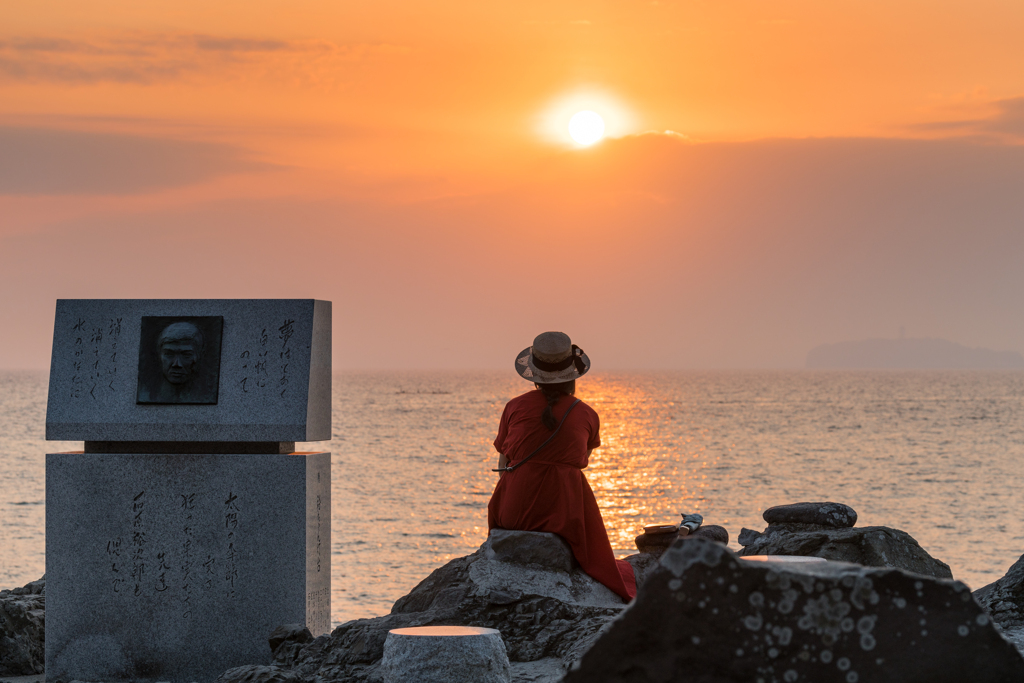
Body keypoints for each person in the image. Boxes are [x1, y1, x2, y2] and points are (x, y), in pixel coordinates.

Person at [487, 331, 636, 602]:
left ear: (535, 374)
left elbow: (503, 463)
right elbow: (582, 461)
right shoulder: (587, 414)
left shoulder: (514, 407)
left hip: (513, 513)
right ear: (572, 375)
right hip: (565, 514)